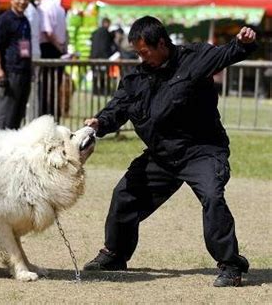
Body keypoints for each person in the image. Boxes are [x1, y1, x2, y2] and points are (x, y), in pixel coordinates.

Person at [82, 16, 256, 287]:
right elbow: (117, 109)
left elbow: (227, 54)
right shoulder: (136, 79)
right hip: (162, 155)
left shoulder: (194, 57)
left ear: (161, 43)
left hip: (202, 150)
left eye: (144, 51)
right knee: (125, 196)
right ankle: (115, 254)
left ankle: (231, 265)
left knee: (212, 196)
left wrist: (242, 43)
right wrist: (99, 122)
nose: (141, 58)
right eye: (137, 53)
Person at [0, 0, 32, 130]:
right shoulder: (5, 19)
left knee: (17, 114)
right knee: (5, 113)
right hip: (10, 72)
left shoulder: (25, 20)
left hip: (24, 71)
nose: (22, 1)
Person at [33, 0, 67, 120]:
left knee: (45, 86)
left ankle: (45, 117)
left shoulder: (43, 7)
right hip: (58, 48)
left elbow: (47, 31)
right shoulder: (59, 7)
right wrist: (61, 47)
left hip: (48, 47)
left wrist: (56, 46)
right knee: (55, 85)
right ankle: (54, 116)